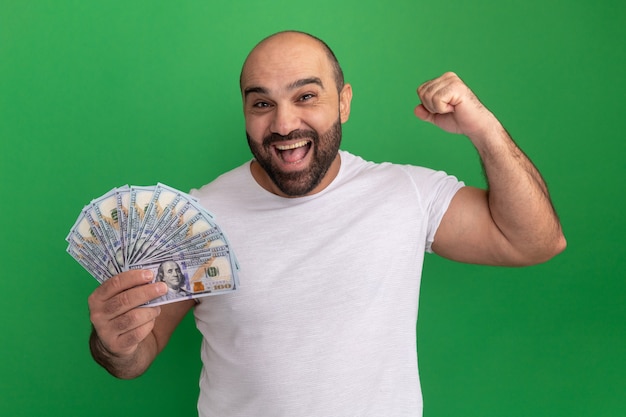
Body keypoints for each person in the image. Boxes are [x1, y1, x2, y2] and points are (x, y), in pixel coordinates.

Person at [87, 31, 566, 416]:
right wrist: (114, 343)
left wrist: (483, 128)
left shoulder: (406, 194)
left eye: (306, 96)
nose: (283, 124)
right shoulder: (197, 220)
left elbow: (534, 242)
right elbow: (136, 355)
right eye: (261, 103)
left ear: (344, 102)